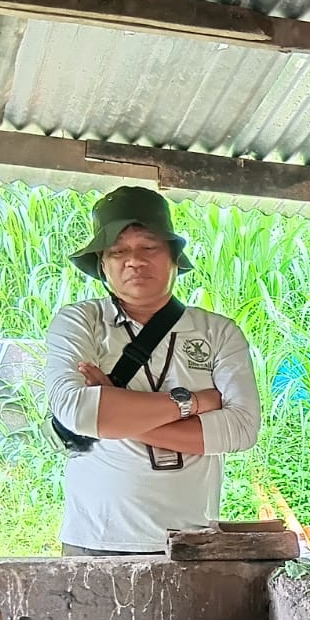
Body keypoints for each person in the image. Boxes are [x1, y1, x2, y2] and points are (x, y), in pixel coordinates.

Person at [45, 188, 260, 556]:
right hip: (94, 541)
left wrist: (113, 414)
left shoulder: (218, 332)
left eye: (149, 247)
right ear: (102, 264)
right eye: (118, 251)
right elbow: (74, 409)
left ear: (174, 257)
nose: (134, 261)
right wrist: (195, 403)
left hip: (191, 544)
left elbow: (241, 430)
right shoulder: (81, 322)